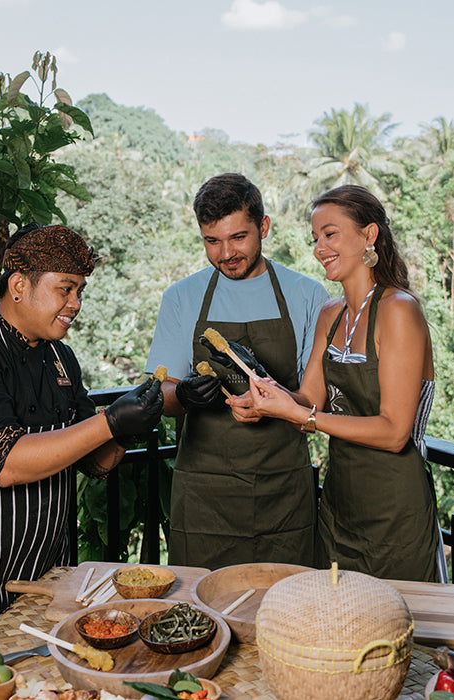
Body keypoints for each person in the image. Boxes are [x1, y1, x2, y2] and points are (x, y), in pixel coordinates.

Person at [0, 223, 164, 698]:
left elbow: (96, 462)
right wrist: (110, 420)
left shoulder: (60, 358)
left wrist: (134, 423)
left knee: (38, 687)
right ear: (19, 285)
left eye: (80, 290)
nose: (76, 304)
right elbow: (6, 463)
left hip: (43, 573)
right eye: (65, 288)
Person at [230, 185, 445, 582]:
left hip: (395, 510)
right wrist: (268, 398)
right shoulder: (330, 314)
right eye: (315, 238)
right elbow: (310, 399)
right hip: (339, 504)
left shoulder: (399, 310)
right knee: (336, 627)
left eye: (330, 234)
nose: (319, 248)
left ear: (369, 235)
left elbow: (395, 432)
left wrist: (304, 416)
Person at [145, 173, 329, 570]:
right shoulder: (182, 297)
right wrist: (186, 397)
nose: (225, 253)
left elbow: (314, 402)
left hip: (284, 493)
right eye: (212, 241)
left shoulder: (308, 295)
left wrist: (278, 402)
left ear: (263, 227)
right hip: (205, 496)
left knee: (286, 613)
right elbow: (162, 395)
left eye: (238, 238)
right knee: (200, 617)